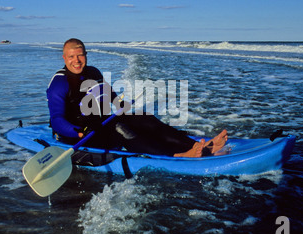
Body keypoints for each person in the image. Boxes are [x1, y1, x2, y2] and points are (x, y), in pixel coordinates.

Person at [46, 38, 228, 158]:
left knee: (144, 118)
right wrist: (80, 131)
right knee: (120, 128)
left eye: (80, 55)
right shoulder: (59, 83)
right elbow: (56, 120)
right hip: (77, 135)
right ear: (64, 58)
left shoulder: (93, 72)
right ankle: (177, 155)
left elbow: (106, 90)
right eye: (71, 57)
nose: (76, 60)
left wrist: (119, 103)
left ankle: (199, 145)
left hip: (98, 123)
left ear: (86, 55)